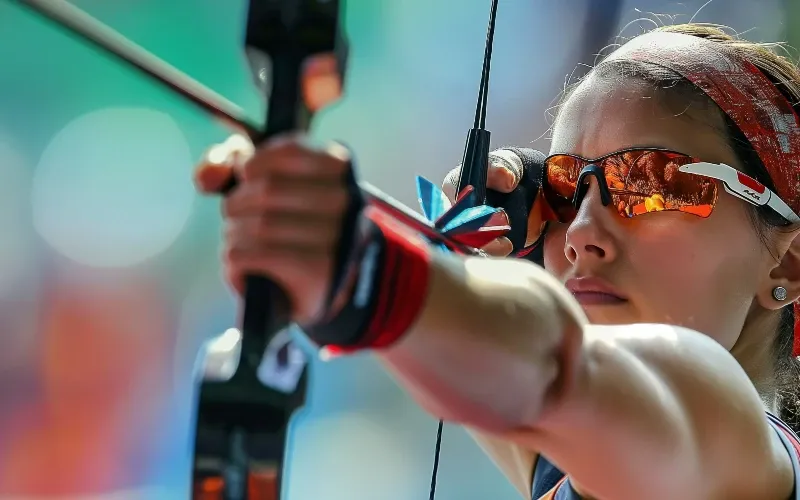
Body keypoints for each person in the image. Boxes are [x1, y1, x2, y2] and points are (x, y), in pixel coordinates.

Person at [195, 23, 800, 500]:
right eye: (563, 189)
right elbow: (498, 359)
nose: (580, 234)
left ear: (787, 263)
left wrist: (359, 266)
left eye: (650, 181)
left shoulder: (734, 440)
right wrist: (459, 247)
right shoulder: (563, 463)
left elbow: (551, 370)